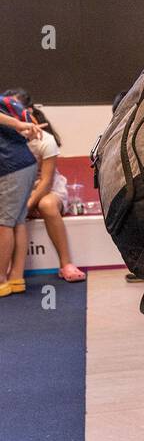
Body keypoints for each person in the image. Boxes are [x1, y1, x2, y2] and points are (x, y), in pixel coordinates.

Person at [2, 90, 86, 282]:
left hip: (46, 191)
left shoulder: (44, 141)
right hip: (18, 192)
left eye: (15, 109)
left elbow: (46, 182)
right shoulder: (6, 144)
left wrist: (26, 205)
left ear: (28, 111)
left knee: (46, 205)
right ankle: (11, 272)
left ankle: (66, 264)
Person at [0, 93, 42, 298]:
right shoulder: (6, 102)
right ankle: (16, 277)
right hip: (23, 164)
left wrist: (18, 125)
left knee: (4, 223)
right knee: (17, 221)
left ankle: (1, 279)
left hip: (11, 166)